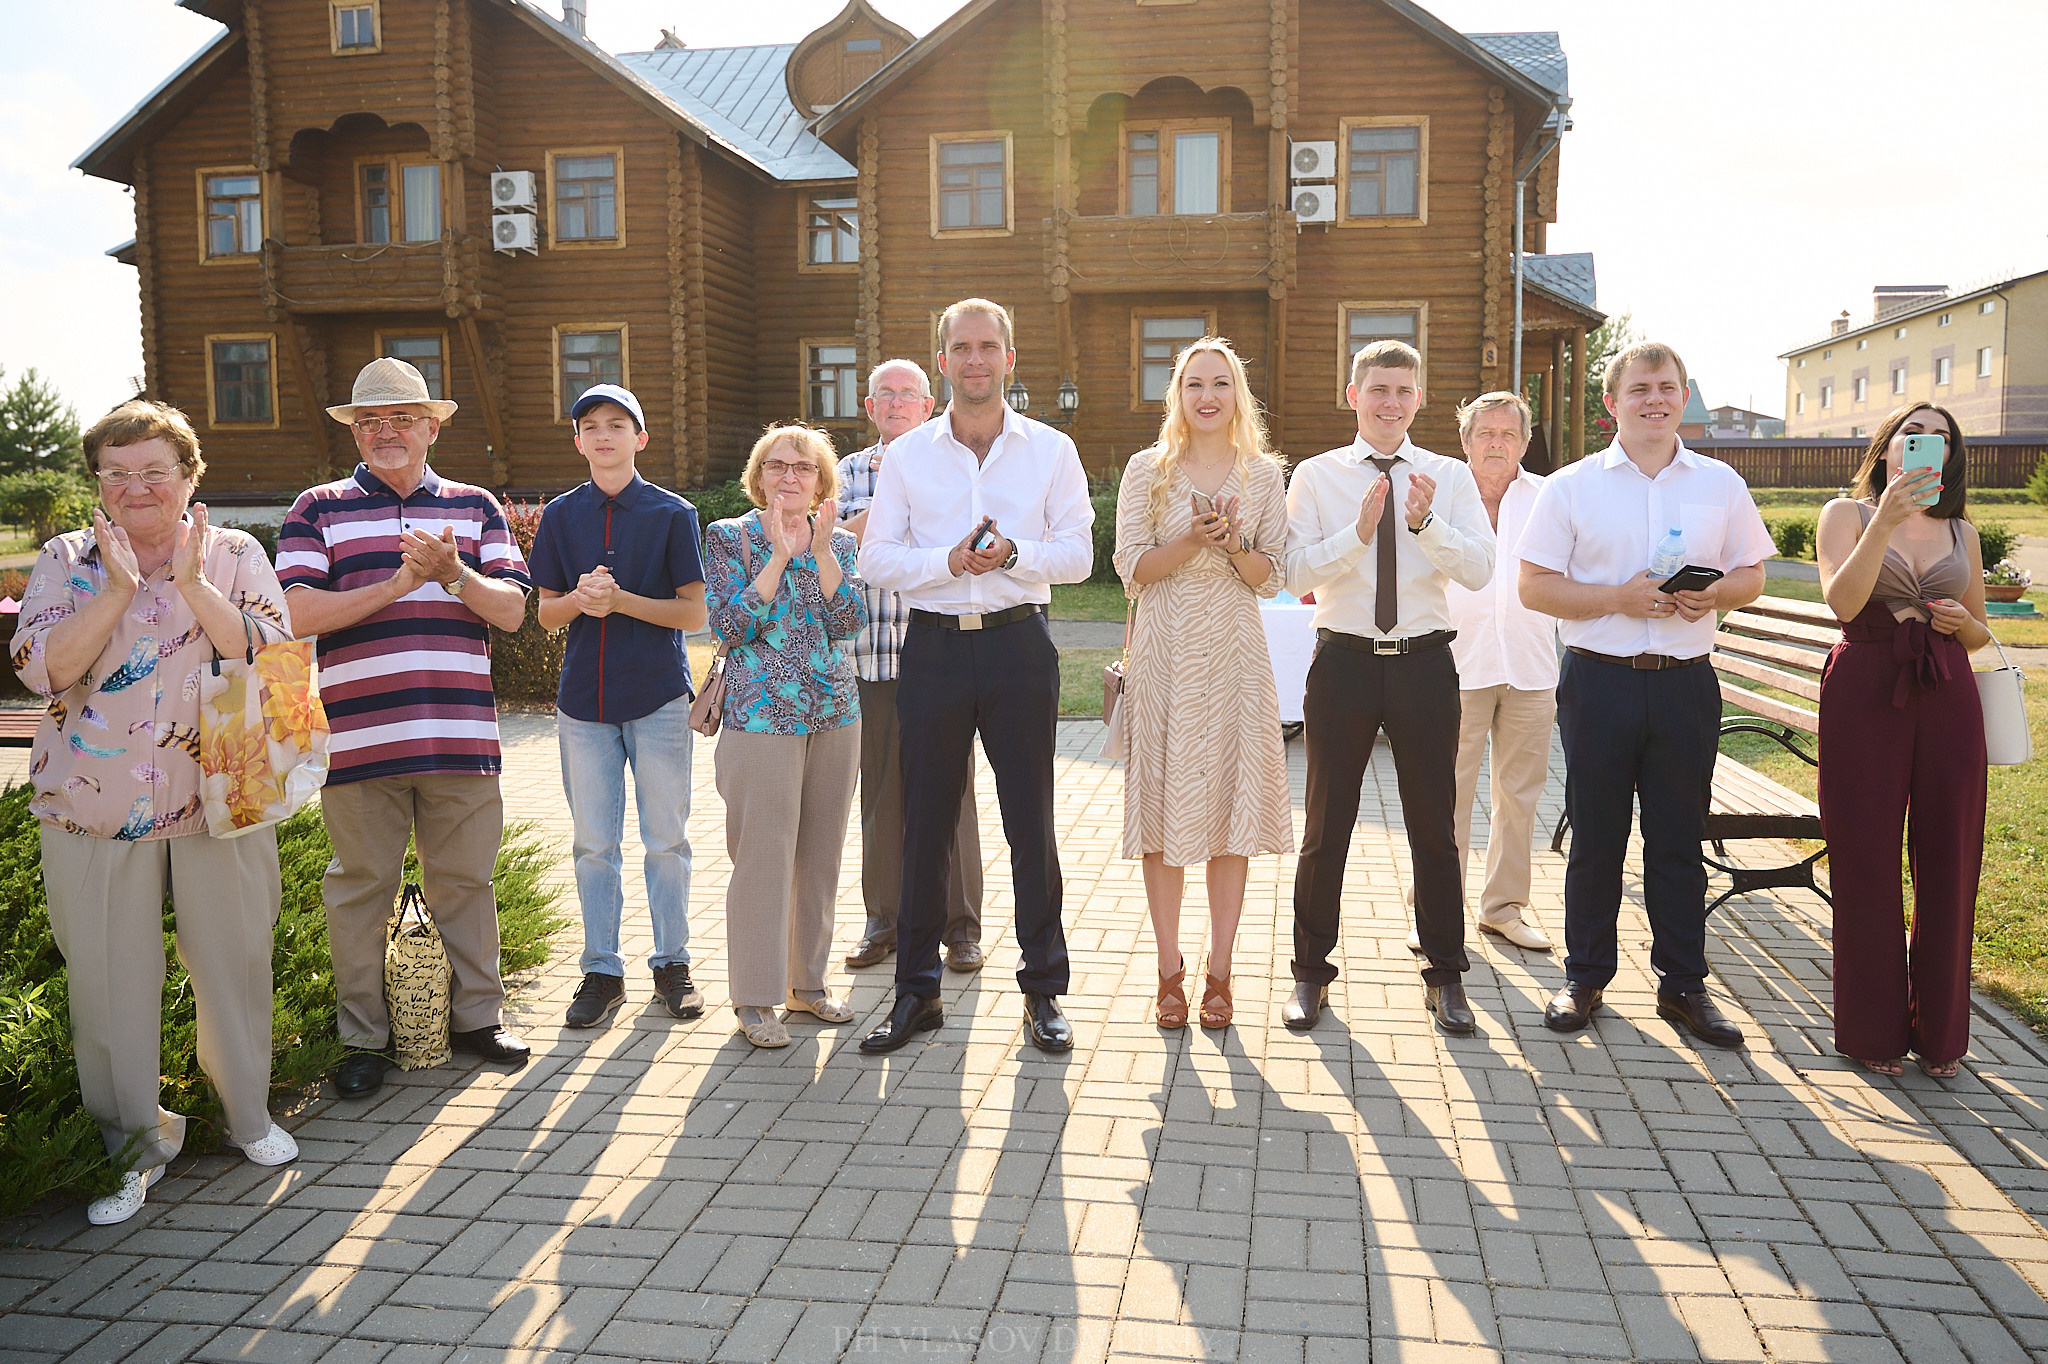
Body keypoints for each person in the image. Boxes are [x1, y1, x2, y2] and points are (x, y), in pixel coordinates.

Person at [12, 400, 298, 1227]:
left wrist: (194, 585)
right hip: (93, 808)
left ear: (188, 476)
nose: (136, 487)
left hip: (222, 798)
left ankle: (249, 1116)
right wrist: (120, 590)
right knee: (105, 985)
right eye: (117, 473)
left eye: (154, 471)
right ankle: (133, 1148)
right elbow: (42, 671)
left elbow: (270, 658)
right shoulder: (67, 559)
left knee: (238, 962)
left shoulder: (237, 551)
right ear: (97, 481)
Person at [277, 357, 535, 1099]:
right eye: (369, 421)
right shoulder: (315, 508)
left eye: (400, 419)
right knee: (360, 888)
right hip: (357, 740)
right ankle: (365, 1038)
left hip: (460, 736)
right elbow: (296, 616)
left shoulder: (476, 505)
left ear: (432, 426)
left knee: (465, 883)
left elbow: (512, 611)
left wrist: (454, 576)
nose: (385, 432)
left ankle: (476, 1021)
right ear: (354, 432)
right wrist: (398, 584)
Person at [1517, 341, 1775, 1047]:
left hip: (1687, 684)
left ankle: (1683, 986)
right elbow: (1533, 585)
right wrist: (1616, 599)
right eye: (1639, 389)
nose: (1655, 399)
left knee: (1677, 840)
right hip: (1599, 680)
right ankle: (1585, 977)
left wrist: (1718, 593)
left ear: (1683, 394)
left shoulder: (1720, 483)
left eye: (1667, 387)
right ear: (1612, 403)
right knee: (1596, 838)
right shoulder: (1571, 485)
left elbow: (1752, 574)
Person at [856, 298, 1095, 1055]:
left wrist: (1013, 554)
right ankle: (916, 994)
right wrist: (950, 562)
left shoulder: (1051, 450)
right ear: (942, 360)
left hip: (1019, 647)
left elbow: (1082, 556)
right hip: (932, 649)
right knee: (924, 824)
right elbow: (876, 560)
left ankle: (1044, 991)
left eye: (989, 346)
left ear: (1009, 359)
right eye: (960, 347)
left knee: (1032, 824)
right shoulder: (909, 456)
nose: (975, 360)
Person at [1282, 339, 1494, 1034]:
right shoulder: (1315, 476)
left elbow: (1479, 572)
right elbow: (1295, 575)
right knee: (1325, 825)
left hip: (1425, 663)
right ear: (1353, 396)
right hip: (1343, 662)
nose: (1391, 403)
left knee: (1435, 828)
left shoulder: (1448, 476)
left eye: (1403, 391)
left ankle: (1445, 974)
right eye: (1378, 390)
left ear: (1419, 399)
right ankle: (1310, 973)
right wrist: (1358, 532)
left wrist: (1424, 525)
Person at [1112, 337, 1291, 1031]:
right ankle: (1167, 970)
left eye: (1221, 383)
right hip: (1163, 656)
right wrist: (1190, 539)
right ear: (1178, 395)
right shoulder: (1145, 469)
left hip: (1235, 661)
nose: (1208, 395)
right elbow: (1130, 569)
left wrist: (1235, 545)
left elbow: (1272, 577)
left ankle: (1220, 970)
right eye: (1195, 384)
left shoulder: (1265, 476)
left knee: (1227, 817)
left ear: (1237, 394)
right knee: (1162, 816)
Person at [1814, 402, 1990, 1078]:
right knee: (1864, 858)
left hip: (1947, 686)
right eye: (1911, 435)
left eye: (1939, 438)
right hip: (1866, 685)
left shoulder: (1963, 534)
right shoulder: (1846, 515)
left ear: (1950, 456)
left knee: (1950, 858)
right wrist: (1885, 519)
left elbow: (1980, 631)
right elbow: (1844, 602)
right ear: (1886, 449)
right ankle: (1872, 1032)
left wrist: (1956, 625)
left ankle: (1942, 1037)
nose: (1925, 446)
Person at [530, 384, 708, 1029]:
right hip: (584, 702)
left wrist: (621, 600)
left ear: (640, 438)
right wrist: (580, 600)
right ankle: (601, 971)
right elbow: (546, 616)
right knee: (593, 844)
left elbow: (694, 612)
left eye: (616, 424)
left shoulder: (672, 514)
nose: (603, 436)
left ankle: (673, 964)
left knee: (667, 840)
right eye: (590, 427)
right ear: (578, 441)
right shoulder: (559, 517)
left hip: (657, 696)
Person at [701, 424, 867, 1048]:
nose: (790, 476)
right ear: (759, 476)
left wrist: (821, 552)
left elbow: (848, 620)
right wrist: (776, 555)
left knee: (819, 856)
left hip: (835, 715)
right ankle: (754, 998)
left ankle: (807, 985)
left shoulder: (841, 544)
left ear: (822, 481)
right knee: (763, 859)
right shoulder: (730, 538)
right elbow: (730, 623)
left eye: (803, 467)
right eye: (778, 466)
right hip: (759, 718)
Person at [835, 360, 987, 975]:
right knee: (882, 794)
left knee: (954, 792)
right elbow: (836, 544)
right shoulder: (846, 471)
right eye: (884, 396)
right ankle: (884, 921)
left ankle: (962, 928)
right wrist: (888, 509)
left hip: (945, 652)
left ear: (929, 405)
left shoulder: (954, 462)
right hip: (872, 656)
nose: (897, 404)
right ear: (870, 408)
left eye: (909, 395)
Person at [1438, 392, 1558, 953]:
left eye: (1508, 434)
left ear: (1525, 443)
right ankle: (1436, 913)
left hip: (1531, 666)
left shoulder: (1548, 499)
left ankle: (1503, 909)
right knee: (1444, 794)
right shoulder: (1439, 495)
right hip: (1454, 664)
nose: (1496, 443)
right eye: (1484, 432)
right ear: (1465, 442)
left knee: (1520, 795)